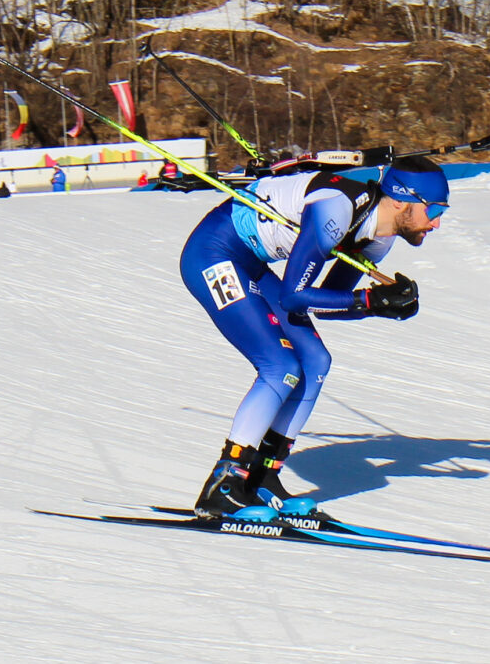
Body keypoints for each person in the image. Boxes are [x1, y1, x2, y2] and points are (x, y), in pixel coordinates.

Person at [180, 156, 449, 519]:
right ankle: (225, 483)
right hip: (212, 254)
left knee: (315, 360)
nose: (436, 221)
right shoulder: (335, 209)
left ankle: (262, 478)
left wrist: (379, 306)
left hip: (248, 262)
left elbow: (321, 305)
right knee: (279, 365)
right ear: (401, 200)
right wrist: (368, 300)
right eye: (433, 208)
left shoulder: (378, 238)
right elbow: (294, 296)